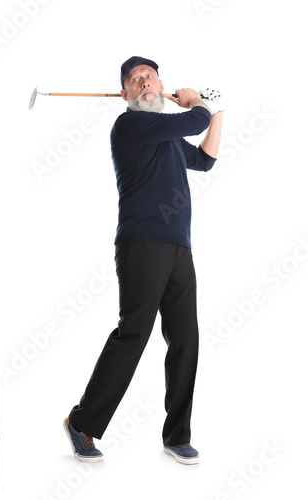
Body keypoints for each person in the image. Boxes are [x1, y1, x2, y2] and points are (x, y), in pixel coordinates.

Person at [63, 56, 224, 465]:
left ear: (159, 83)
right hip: (141, 244)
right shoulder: (131, 125)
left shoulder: (165, 136)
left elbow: (204, 159)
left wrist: (216, 110)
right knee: (134, 334)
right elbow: (193, 121)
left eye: (148, 76)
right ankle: (82, 422)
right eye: (134, 80)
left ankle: (177, 436)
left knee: (186, 338)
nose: (142, 82)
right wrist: (198, 103)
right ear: (126, 94)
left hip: (178, 246)